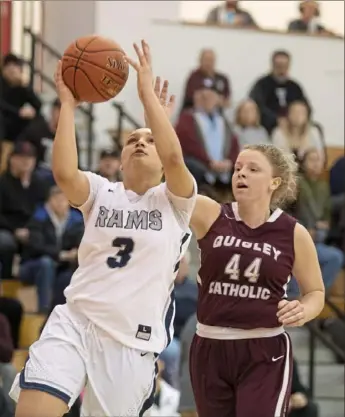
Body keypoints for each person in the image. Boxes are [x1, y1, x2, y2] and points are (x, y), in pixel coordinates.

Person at [10, 41, 197, 417]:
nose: (140, 143)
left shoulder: (176, 202)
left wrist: (147, 99)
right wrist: (67, 104)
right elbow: (64, 173)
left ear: (163, 158)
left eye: (149, 139)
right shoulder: (101, 191)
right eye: (132, 141)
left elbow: (175, 155)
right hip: (76, 322)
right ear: (121, 159)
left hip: (130, 342)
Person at [188, 143, 325, 417]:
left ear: (274, 182)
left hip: (263, 348)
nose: (241, 174)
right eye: (238, 168)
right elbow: (173, 184)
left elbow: (316, 292)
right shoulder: (211, 213)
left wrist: (303, 309)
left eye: (253, 169)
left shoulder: (293, 232)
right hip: (209, 344)